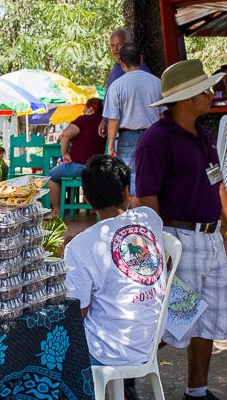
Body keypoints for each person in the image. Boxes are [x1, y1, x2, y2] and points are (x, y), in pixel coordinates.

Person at [135, 59, 227, 400]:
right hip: (180, 240)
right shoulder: (155, 140)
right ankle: (123, 377)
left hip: (211, 238)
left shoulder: (203, 136)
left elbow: (217, 186)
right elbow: (146, 199)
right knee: (167, 321)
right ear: (188, 97)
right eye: (206, 89)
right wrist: (160, 252)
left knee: (206, 322)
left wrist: (224, 234)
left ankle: (197, 392)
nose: (212, 93)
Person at [65, 155, 166, 396]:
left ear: (86, 199)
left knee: (50, 337)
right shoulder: (150, 218)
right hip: (152, 340)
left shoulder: (81, 246)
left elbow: (76, 316)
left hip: (109, 351)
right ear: (126, 191)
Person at [102, 43, 163, 208]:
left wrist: (111, 146)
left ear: (121, 63)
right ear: (141, 59)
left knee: (133, 182)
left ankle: (136, 223)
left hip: (128, 137)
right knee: (156, 176)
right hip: (154, 136)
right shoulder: (157, 83)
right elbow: (164, 115)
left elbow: (113, 119)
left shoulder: (117, 86)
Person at [46, 99, 106, 219]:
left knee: (51, 175)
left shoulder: (83, 120)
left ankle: (56, 211)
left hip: (80, 165)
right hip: (99, 166)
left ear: (90, 109)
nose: (83, 110)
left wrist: (65, 153)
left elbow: (65, 134)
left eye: (85, 107)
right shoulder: (106, 121)